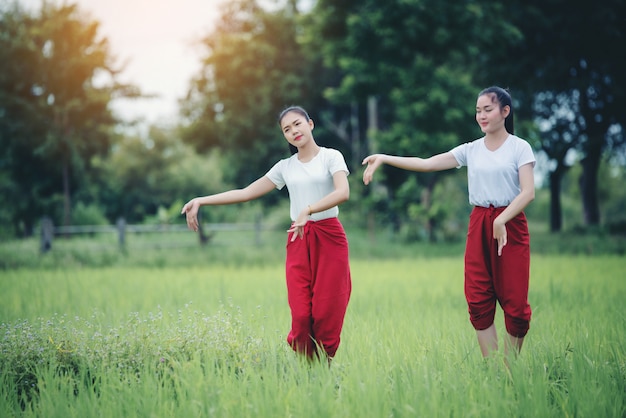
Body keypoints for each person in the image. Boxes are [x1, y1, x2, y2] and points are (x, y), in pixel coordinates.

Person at [362, 86, 535, 358]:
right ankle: (493, 373)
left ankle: (511, 370)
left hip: (509, 224)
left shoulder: (520, 148)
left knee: (514, 301)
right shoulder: (472, 150)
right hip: (479, 222)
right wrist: (384, 158)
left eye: (487, 110)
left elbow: (528, 192)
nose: (481, 115)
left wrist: (502, 219)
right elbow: (427, 163)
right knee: (478, 296)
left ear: (505, 111)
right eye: (478, 111)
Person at [181, 106, 352, 362]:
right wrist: (201, 200)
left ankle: (323, 371)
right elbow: (246, 193)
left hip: (329, 238)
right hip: (299, 239)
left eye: (297, 124)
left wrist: (309, 209)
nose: (294, 131)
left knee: (327, 310)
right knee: (302, 314)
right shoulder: (285, 167)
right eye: (287, 129)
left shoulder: (331, 157)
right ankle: (308, 369)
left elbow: (343, 192)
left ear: (311, 124)